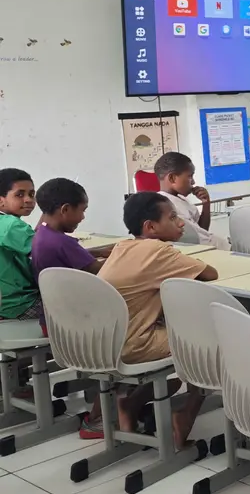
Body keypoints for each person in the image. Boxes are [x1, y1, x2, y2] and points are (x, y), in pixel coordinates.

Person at [98, 192, 220, 443]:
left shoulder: (122, 246)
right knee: (213, 342)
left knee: (187, 334)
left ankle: (131, 404)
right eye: (173, 217)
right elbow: (210, 273)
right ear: (150, 227)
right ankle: (185, 416)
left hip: (106, 340)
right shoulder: (157, 251)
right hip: (135, 344)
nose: (181, 223)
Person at [31, 178, 114, 437]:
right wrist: (128, 254)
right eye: (82, 210)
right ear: (66, 209)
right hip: (83, 326)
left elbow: (77, 254)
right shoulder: (61, 243)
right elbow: (105, 272)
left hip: (59, 322)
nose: (83, 217)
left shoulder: (43, 233)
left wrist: (102, 250)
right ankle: (101, 417)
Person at [154, 152, 228, 250]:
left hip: (216, 247)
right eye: (189, 176)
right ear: (172, 178)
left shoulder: (182, 200)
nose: (193, 182)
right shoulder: (164, 205)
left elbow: (202, 230)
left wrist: (206, 204)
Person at [0, 168, 39, 321]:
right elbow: (48, 250)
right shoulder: (11, 226)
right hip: (20, 304)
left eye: (31, 194)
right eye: (20, 194)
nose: (29, 199)